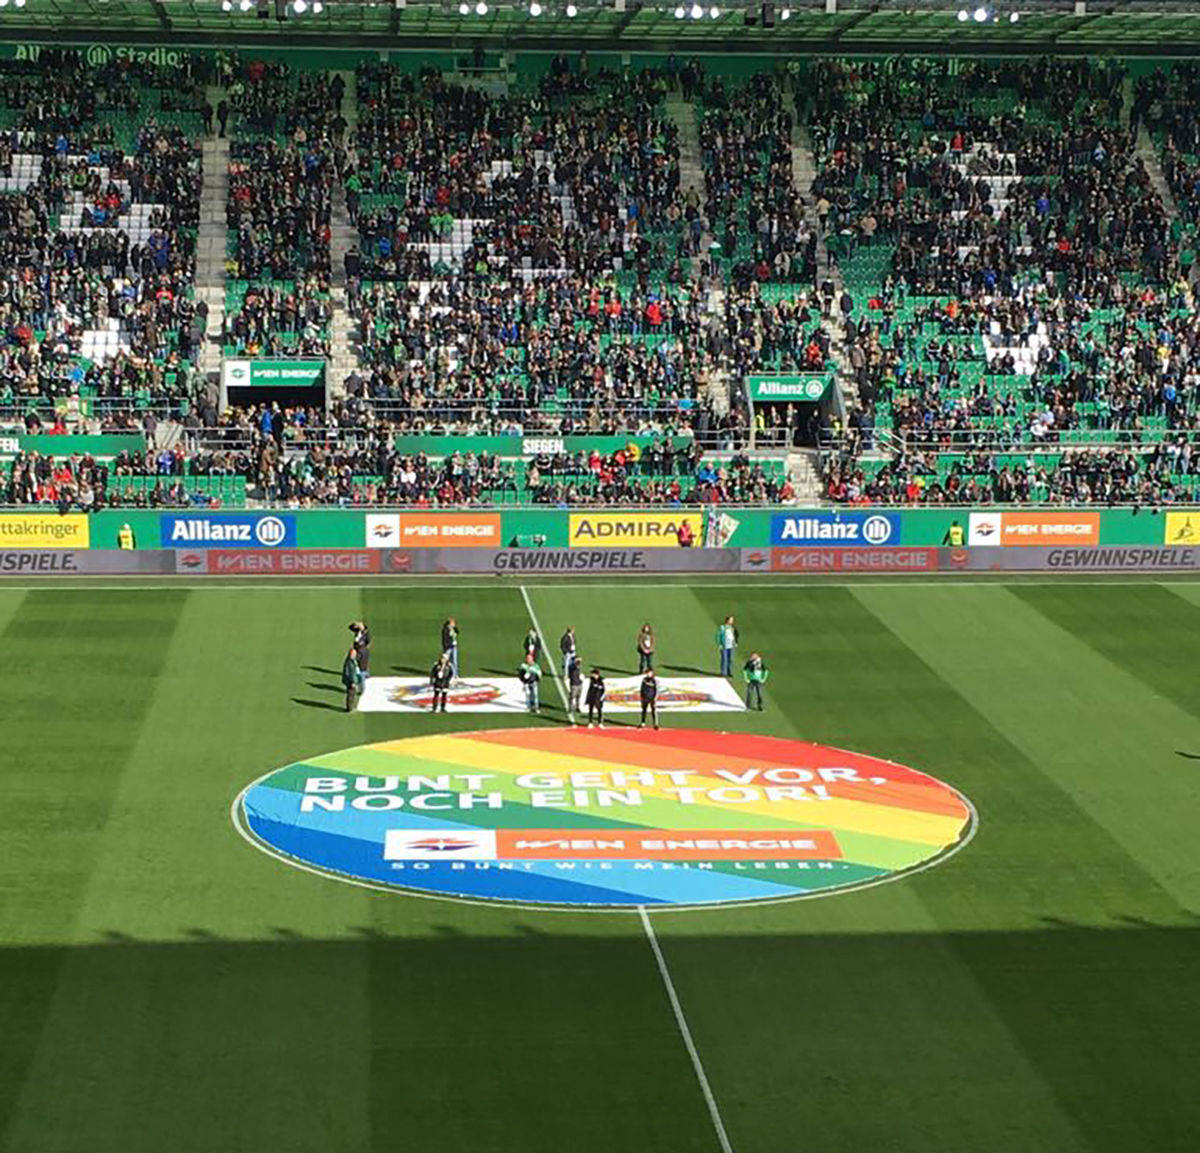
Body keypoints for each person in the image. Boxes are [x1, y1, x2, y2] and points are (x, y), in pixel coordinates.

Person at [342, 646, 363, 713]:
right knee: (351, 694)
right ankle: (349, 708)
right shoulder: (350, 663)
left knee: (352, 694)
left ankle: (350, 707)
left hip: (352, 681)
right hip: (351, 682)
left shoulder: (351, 661)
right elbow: (351, 673)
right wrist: (353, 682)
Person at [566, 652, 583, 721]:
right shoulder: (571, 666)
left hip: (579, 683)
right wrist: (577, 661)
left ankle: (577, 707)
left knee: (578, 696)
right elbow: (575, 666)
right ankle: (570, 707)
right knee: (572, 696)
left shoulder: (577, 665)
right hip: (573, 683)